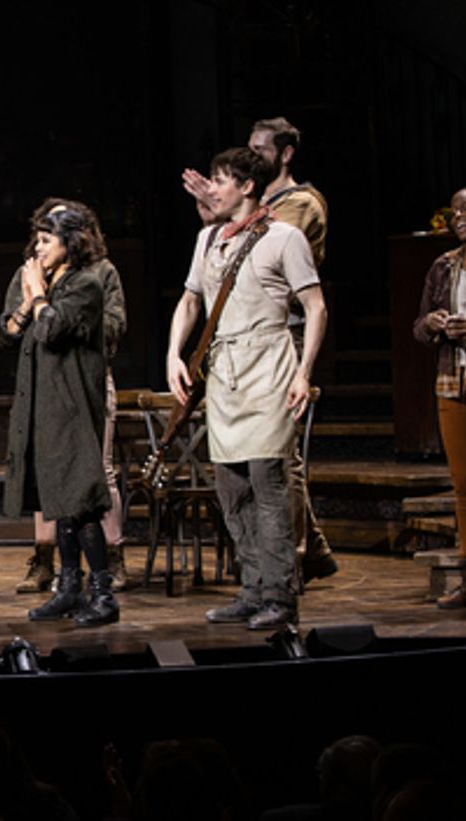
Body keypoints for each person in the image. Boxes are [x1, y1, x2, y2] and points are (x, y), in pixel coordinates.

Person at [167, 147, 326, 629]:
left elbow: (315, 307)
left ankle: (280, 594)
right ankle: (252, 587)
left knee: (268, 485)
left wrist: (304, 372)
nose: (212, 188)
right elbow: (191, 301)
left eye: (220, 180)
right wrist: (174, 354)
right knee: (231, 487)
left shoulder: (284, 237)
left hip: (268, 364)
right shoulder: (208, 239)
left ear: (247, 186)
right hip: (225, 372)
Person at [0, 204, 117, 626]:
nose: (38, 247)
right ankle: (69, 588)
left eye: (47, 240)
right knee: (59, 501)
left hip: (72, 405)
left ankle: (103, 594)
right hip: (40, 404)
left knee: (80, 502)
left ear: (71, 242)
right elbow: (6, 331)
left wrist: (37, 295)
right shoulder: (40, 280)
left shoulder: (86, 285)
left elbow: (52, 328)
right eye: (38, 239)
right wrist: (28, 303)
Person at [412, 186, 466, 609]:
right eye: (455, 211)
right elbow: (417, 328)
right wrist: (432, 323)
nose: (460, 216)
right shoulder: (443, 265)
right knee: (464, 486)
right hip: (454, 382)